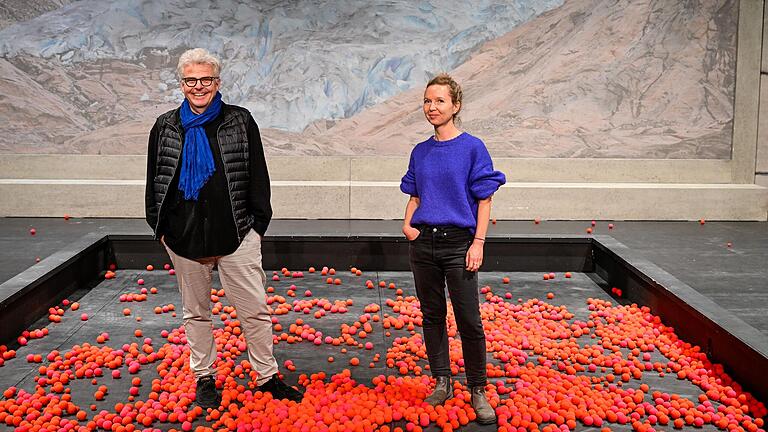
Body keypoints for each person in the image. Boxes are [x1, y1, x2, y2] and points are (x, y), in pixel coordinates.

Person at [145, 48, 302, 408]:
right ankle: (204, 377)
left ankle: (266, 377)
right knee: (196, 313)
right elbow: (155, 180)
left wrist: (256, 227)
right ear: (181, 84)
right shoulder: (166, 125)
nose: (198, 87)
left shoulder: (239, 121)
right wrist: (161, 227)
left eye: (205, 80)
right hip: (184, 238)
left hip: (236, 236)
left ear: (217, 82)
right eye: (191, 80)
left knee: (255, 310)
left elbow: (257, 177)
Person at [400, 73, 505, 425]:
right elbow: (415, 195)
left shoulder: (472, 147)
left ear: (456, 106)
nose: (432, 107)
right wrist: (407, 226)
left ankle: (477, 388)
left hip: (459, 243)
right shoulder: (421, 151)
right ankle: (442, 380)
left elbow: (484, 198)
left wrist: (478, 242)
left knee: (469, 320)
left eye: (440, 101)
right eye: (428, 101)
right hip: (423, 243)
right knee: (431, 315)